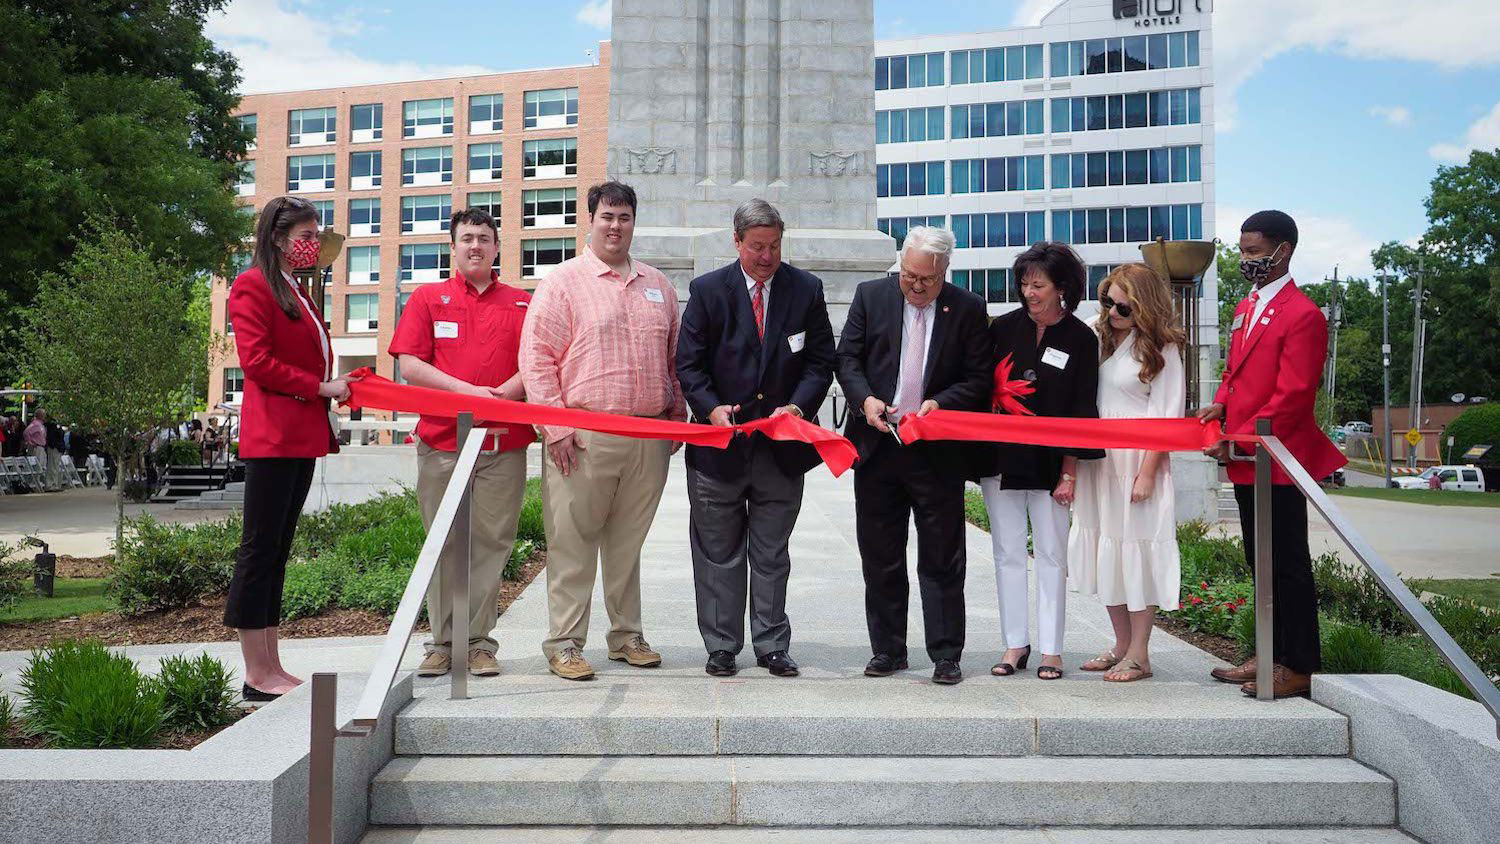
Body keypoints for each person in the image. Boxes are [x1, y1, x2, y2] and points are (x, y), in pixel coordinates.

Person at [519, 181, 686, 681]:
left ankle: (626, 635)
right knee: (572, 542)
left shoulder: (659, 285)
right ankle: (565, 642)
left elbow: (676, 360)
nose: (616, 226)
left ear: (635, 222)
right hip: (583, 436)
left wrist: (676, 420)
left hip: (648, 436)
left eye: (625, 217)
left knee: (627, 544)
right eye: (607, 216)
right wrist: (555, 425)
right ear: (589, 220)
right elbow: (537, 359)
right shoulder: (563, 282)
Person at [675, 199, 836, 678]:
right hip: (719, 449)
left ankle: (771, 644)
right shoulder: (708, 290)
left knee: (770, 552)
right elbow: (689, 362)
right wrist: (710, 407)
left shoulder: (805, 289)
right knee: (718, 553)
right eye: (757, 247)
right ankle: (722, 645)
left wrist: (799, 406)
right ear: (737, 242)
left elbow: (820, 359)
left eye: (774, 246)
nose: (767, 256)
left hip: (780, 449)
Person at [1198, 210, 1345, 698]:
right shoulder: (1246, 307)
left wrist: (1242, 437)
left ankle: (1298, 665)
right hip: (1246, 460)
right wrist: (1220, 402)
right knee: (1258, 559)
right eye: (1242, 252)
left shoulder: (1303, 315)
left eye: (1254, 253)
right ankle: (1270, 651)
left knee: (1287, 562)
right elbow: (1235, 371)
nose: (1246, 261)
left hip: (1275, 458)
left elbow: (1294, 395)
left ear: (1284, 251)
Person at [835, 226, 990, 686]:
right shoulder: (871, 295)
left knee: (942, 556)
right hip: (878, 445)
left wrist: (942, 404)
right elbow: (848, 359)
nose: (916, 286)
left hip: (936, 450)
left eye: (926, 279)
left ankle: (946, 654)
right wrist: (864, 401)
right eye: (909, 276)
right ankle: (888, 649)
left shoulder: (968, 309)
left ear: (945, 272)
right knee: (880, 554)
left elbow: (979, 378)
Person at [389, 207, 533, 679]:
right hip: (442, 444)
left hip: (502, 447)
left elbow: (539, 360)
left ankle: (477, 643)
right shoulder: (428, 299)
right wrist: (468, 393)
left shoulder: (522, 303)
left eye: (484, 238)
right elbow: (409, 364)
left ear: (496, 248)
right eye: (466, 238)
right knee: (444, 542)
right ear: (452, 248)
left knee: (492, 543)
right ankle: (441, 642)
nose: (475, 246)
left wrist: (506, 395)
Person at [224, 195, 348, 701]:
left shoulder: (297, 289)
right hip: (273, 436)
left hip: (299, 435)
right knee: (259, 550)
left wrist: (331, 385)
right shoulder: (252, 286)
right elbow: (257, 363)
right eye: (306, 237)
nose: (313, 245)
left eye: (316, 236)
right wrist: (321, 389)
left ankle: (272, 664)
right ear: (277, 239)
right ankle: (257, 672)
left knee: (277, 551)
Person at [978, 242, 1104, 681]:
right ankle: (1015, 643)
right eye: (1024, 284)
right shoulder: (1002, 328)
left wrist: (1070, 471)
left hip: (1054, 466)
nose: (1029, 293)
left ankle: (1052, 649)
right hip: (1002, 460)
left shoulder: (1081, 338)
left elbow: (1082, 409)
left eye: (1039, 285)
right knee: (1007, 553)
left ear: (1063, 288)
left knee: (1051, 554)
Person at [1068, 264, 1185, 682]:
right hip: (1100, 459)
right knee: (1107, 549)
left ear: (1143, 306)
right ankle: (1120, 644)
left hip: (1138, 460)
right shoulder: (1095, 335)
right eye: (1107, 300)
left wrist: (1149, 471)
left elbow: (1167, 414)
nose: (1113, 311)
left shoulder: (1162, 348)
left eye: (1123, 305)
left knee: (1136, 548)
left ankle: (1140, 653)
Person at [25, 410, 51, 491]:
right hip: (37, 447)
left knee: (42, 466)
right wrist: (30, 442)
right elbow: (26, 432)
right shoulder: (35, 424)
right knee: (37, 466)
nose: (45, 416)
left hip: (42, 447)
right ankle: (35, 484)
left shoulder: (41, 425)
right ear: (40, 415)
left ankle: (38, 482)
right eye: (44, 414)